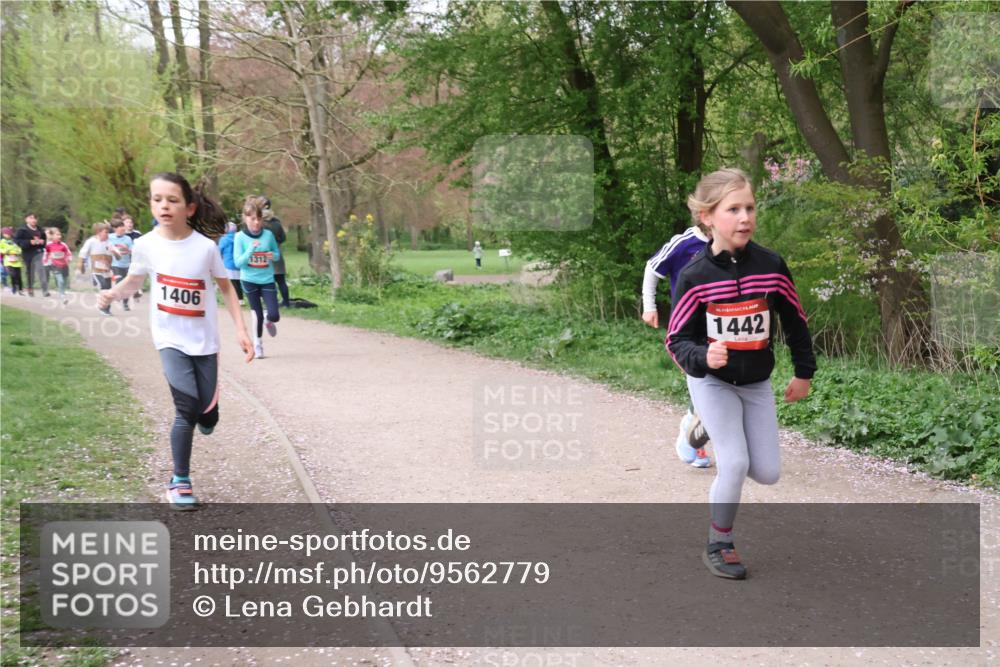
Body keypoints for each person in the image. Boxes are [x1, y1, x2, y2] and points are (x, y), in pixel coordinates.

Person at [666, 168, 816, 580]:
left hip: (755, 382)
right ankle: (719, 542)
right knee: (733, 464)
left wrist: (804, 372)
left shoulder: (771, 265)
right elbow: (676, 339)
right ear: (708, 217)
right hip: (711, 381)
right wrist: (703, 356)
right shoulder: (695, 276)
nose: (745, 217)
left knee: (767, 472)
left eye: (750, 207)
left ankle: (700, 430)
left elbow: (795, 322)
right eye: (734, 209)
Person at [98, 172, 253, 510]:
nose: (164, 206)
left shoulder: (205, 248)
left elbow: (227, 288)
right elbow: (134, 280)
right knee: (186, 408)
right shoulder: (146, 245)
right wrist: (112, 293)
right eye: (157, 200)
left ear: (189, 207)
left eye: (172, 200)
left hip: (205, 341)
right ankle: (179, 481)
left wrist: (241, 330)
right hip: (169, 339)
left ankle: (208, 415)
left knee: (206, 414)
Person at [643, 223, 714, 468]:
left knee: (719, 382)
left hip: (720, 325)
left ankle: (692, 425)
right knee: (701, 379)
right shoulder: (683, 243)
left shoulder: (731, 242)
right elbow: (652, 267)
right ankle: (695, 437)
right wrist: (649, 306)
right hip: (687, 329)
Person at [235, 196, 281, 359]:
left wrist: (272, 255)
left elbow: (277, 255)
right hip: (249, 280)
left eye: (259, 219)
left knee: (274, 315)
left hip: (267, 279)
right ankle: (258, 344)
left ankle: (269, 321)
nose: (256, 222)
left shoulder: (268, 235)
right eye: (252, 219)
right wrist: (250, 251)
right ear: (245, 218)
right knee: (257, 314)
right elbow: (238, 262)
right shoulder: (240, 237)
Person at [79, 222, 115, 315]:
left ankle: (107, 308)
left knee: (108, 290)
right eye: (106, 232)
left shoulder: (109, 242)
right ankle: (102, 307)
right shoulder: (91, 241)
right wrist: (81, 265)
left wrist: (115, 252)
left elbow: (117, 256)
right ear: (99, 232)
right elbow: (83, 253)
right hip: (95, 271)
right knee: (103, 287)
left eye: (108, 232)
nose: (108, 234)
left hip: (106, 271)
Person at [262, 198, 291, 308]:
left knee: (268, 281)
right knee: (281, 280)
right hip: (276, 252)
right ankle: (286, 302)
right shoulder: (276, 222)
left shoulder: (258, 223)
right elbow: (283, 238)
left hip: (263, 254)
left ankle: (271, 302)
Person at [14, 213, 48, 296]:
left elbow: (44, 240)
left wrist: (42, 242)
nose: (33, 220)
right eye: (31, 218)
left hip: (39, 252)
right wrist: (29, 242)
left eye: (35, 218)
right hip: (28, 253)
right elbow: (17, 241)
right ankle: (30, 288)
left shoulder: (40, 229)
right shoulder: (22, 230)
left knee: (41, 270)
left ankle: (45, 290)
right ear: (26, 219)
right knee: (30, 271)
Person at [108, 218, 134, 311]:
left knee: (127, 284)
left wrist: (128, 250)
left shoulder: (128, 238)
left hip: (126, 264)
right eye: (120, 227)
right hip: (115, 264)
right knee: (120, 281)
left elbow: (132, 251)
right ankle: (117, 294)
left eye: (123, 226)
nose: (123, 228)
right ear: (115, 228)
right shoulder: (110, 237)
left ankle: (125, 304)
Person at [43, 227, 73, 304]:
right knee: (61, 280)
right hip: (55, 265)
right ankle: (62, 295)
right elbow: (46, 253)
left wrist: (69, 258)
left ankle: (62, 290)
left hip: (64, 265)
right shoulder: (49, 245)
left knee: (65, 280)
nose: (59, 236)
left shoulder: (63, 245)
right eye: (57, 235)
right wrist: (45, 261)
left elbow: (68, 253)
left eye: (60, 235)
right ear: (52, 236)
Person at [217, 221, 243, 302]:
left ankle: (233, 299)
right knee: (238, 282)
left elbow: (219, 250)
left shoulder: (224, 239)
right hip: (238, 264)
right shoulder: (239, 237)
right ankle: (241, 299)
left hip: (228, 264)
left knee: (231, 282)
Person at [123, 214, 144, 302]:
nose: (129, 224)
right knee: (126, 278)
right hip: (124, 260)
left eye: (131, 222)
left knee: (135, 276)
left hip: (135, 259)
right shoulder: (122, 234)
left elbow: (143, 245)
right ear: (123, 224)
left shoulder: (137, 234)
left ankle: (135, 292)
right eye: (127, 222)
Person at [0, 227, 23, 295]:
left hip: (16, 260)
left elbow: (19, 248)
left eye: (9, 233)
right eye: (6, 234)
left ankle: (20, 288)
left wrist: (18, 252)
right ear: (3, 234)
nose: (7, 235)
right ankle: (14, 287)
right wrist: (5, 251)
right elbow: (1, 249)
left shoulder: (14, 241)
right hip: (8, 260)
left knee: (18, 275)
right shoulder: (2, 241)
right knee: (12, 274)